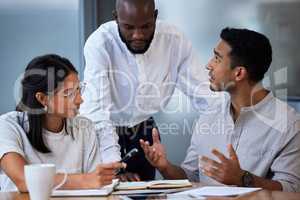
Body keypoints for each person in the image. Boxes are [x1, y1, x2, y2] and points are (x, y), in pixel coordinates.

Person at [140, 28, 300, 192]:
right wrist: (165, 167)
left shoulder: (288, 123)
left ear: (238, 73)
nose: (208, 65)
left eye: (217, 58)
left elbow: (292, 190)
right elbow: (191, 177)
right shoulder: (210, 113)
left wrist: (242, 178)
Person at [80, 0, 211, 181]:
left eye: (146, 26)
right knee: (111, 192)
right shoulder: (100, 43)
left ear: (155, 17)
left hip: (144, 130)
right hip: (101, 130)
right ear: (116, 18)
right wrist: (114, 169)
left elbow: (206, 95)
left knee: (146, 192)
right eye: (128, 27)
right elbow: (97, 111)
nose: (137, 35)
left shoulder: (174, 40)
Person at [0, 54, 124, 192]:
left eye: (78, 90)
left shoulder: (84, 127)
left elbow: (95, 185)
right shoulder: (8, 126)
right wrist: (84, 179)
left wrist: (99, 178)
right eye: (69, 94)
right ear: (42, 98)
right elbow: (24, 180)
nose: (79, 100)